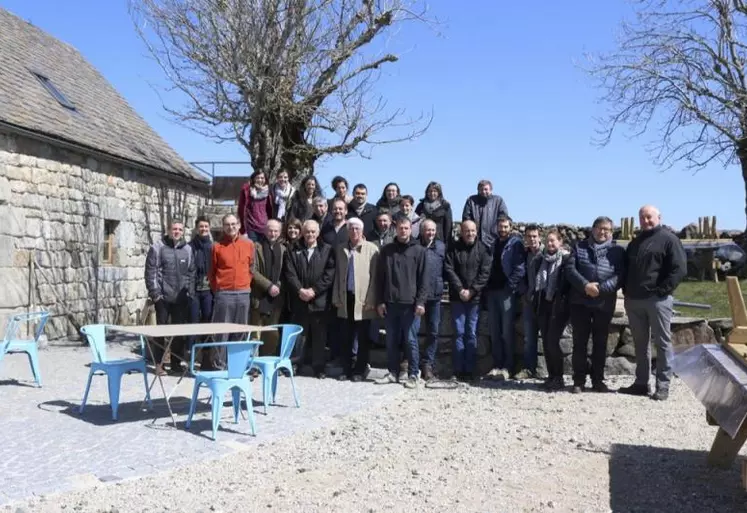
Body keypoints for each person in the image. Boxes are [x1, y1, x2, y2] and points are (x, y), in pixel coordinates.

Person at [620, 205, 686, 401]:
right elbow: (627, 268)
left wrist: (661, 291)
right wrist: (626, 290)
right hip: (634, 300)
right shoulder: (635, 243)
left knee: (662, 343)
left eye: (649, 217)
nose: (645, 221)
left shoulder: (669, 239)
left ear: (659, 217)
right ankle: (641, 383)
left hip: (658, 301)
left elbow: (679, 269)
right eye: (642, 218)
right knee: (640, 344)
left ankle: (663, 385)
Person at [565, 216, 625, 393]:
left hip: (604, 302)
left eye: (606, 229)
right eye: (599, 228)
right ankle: (579, 380)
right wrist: (585, 286)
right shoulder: (579, 247)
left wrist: (602, 288)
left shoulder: (617, 251)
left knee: (601, 342)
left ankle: (598, 380)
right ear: (593, 229)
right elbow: (570, 269)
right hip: (580, 301)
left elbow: (621, 275)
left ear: (611, 232)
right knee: (579, 342)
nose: (603, 232)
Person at [375, 217, 427, 389]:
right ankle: (392, 372)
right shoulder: (386, 250)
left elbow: (424, 280)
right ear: (395, 229)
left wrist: (421, 302)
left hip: (410, 304)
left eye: (406, 228)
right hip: (390, 303)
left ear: (411, 229)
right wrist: (380, 301)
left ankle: (413, 374)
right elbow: (380, 278)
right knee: (391, 340)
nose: (403, 231)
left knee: (411, 340)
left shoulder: (419, 251)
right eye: (400, 228)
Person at [284, 220, 336, 378]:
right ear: (302, 233)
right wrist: (300, 290)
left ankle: (318, 367)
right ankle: (295, 364)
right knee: (300, 335)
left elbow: (330, 273)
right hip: (299, 299)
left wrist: (314, 290)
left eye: (313, 232)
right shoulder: (293, 249)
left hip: (319, 300)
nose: (310, 235)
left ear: (318, 233)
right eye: (307, 232)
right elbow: (289, 272)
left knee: (319, 336)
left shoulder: (327, 250)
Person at [144, 220, 195, 375]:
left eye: (180, 229)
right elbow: (150, 272)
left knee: (178, 332)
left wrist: (189, 292)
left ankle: (176, 363)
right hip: (163, 298)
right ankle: (159, 364)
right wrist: (156, 295)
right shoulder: (157, 248)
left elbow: (191, 273)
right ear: (168, 230)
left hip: (180, 299)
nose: (177, 231)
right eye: (174, 229)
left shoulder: (188, 249)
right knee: (161, 332)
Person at [332, 217, 379, 382]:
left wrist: (372, 299)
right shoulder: (340, 249)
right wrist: (336, 296)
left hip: (364, 300)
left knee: (363, 337)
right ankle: (346, 368)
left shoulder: (372, 249)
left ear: (362, 230)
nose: (354, 231)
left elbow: (375, 278)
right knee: (345, 336)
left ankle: (360, 369)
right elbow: (337, 274)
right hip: (346, 298)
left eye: (357, 229)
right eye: (351, 229)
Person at [444, 220, 491, 381]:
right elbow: (449, 269)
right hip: (457, 298)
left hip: (475, 299)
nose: (470, 234)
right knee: (459, 333)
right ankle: (458, 370)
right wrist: (460, 289)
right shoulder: (453, 248)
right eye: (466, 231)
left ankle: (470, 370)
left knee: (471, 333)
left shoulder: (483, 249)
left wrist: (472, 291)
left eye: (472, 231)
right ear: (461, 232)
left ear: (476, 231)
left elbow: (485, 273)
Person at [207, 214, 255, 370]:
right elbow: (211, 273)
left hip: (243, 294)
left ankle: (237, 366)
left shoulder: (248, 244)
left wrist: (245, 284)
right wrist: (219, 289)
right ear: (223, 227)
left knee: (240, 332)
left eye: (234, 224)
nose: (231, 227)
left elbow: (251, 268)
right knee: (221, 332)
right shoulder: (217, 246)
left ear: (239, 225)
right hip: (224, 294)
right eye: (227, 224)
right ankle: (220, 366)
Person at [484, 215, 525, 380]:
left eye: (505, 226)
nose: (502, 229)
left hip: (506, 292)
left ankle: (508, 366)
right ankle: (497, 365)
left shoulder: (516, 244)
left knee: (506, 331)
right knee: (494, 331)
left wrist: (510, 286)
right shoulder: (492, 243)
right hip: (491, 291)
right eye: (500, 226)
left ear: (511, 227)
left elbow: (520, 268)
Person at [532, 229, 571, 391]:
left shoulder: (567, 259)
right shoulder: (541, 259)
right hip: (544, 305)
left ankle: (559, 377)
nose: (550, 244)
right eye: (547, 241)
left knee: (553, 341)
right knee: (546, 343)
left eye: (553, 241)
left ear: (560, 242)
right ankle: (551, 376)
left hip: (559, 306)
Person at [250, 219, 286, 357]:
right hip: (259, 296)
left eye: (276, 230)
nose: (273, 233)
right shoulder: (256, 247)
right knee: (255, 333)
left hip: (276, 298)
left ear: (280, 232)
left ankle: (266, 360)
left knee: (272, 333)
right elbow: (253, 270)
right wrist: (268, 285)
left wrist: (277, 286)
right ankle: (253, 363)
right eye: (270, 230)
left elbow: (285, 272)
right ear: (265, 231)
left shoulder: (283, 249)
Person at [417, 219, 446, 381]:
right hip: (416, 297)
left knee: (433, 332)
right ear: (422, 231)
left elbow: (447, 268)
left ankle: (427, 364)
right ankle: (410, 363)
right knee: (411, 332)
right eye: (428, 230)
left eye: (433, 230)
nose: (431, 233)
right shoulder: (415, 246)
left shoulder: (441, 247)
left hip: (435, 295)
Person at [514, 224, 543, 380]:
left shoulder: (546, 253)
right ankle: (529, 368)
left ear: (539, 237)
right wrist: (523, 292)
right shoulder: (524, 255)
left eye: (534, 236)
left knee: (548, 338)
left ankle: (549, 371)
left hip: (545, 302)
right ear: (525, 238)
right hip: (528, 301)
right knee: (529, 338)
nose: (532, 239)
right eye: (529, 236)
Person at [189, 216, 214, 352]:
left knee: (207, 321)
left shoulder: (213, 247)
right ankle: (191, 352)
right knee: (193, 322)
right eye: (201, 226)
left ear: (209, 228)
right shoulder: (190, 246)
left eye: (206, 226)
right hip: (194, 290)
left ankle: (205, 354)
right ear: (197, 228)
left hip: (208, 290)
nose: (204, 229)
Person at [462, 179, 509, 251]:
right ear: (477, 190)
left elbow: (504, 217)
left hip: (494, 241)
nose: (483, 191)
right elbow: (466, 218)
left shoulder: (498, 201)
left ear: (491, 190)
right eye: (481, 189)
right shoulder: (471, 201)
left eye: (486, 189)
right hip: (476, 241)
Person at [237, 170, 274, 241]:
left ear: (265, 179)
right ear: (253, 179)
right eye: (258, 178)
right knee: (253, 250)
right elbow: (241, 209)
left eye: (262, 178)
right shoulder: (247, 190)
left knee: (264, 250)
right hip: (251, 227)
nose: (260, 180)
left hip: (265, 227)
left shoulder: (268, 191)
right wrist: (242, 227)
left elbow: (270, 210)